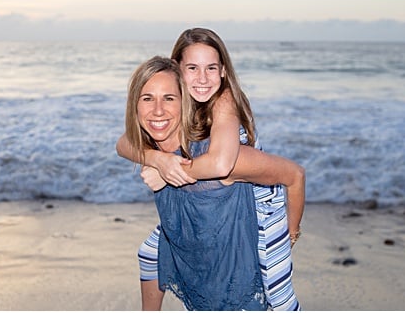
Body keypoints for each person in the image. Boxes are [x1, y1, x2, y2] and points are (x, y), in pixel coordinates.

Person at [118, 28, 303, 310]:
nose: (202, 79)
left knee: (275, 293)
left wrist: (292, 230)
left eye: (211, 68)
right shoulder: (178, 121)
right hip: (212, 201)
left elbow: (222, 163)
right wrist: (158, 160)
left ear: (224, 71)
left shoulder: (224, 103)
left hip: (262, 205)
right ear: (177, 71)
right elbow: (123, 142)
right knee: (151, 253)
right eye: (192, 68)